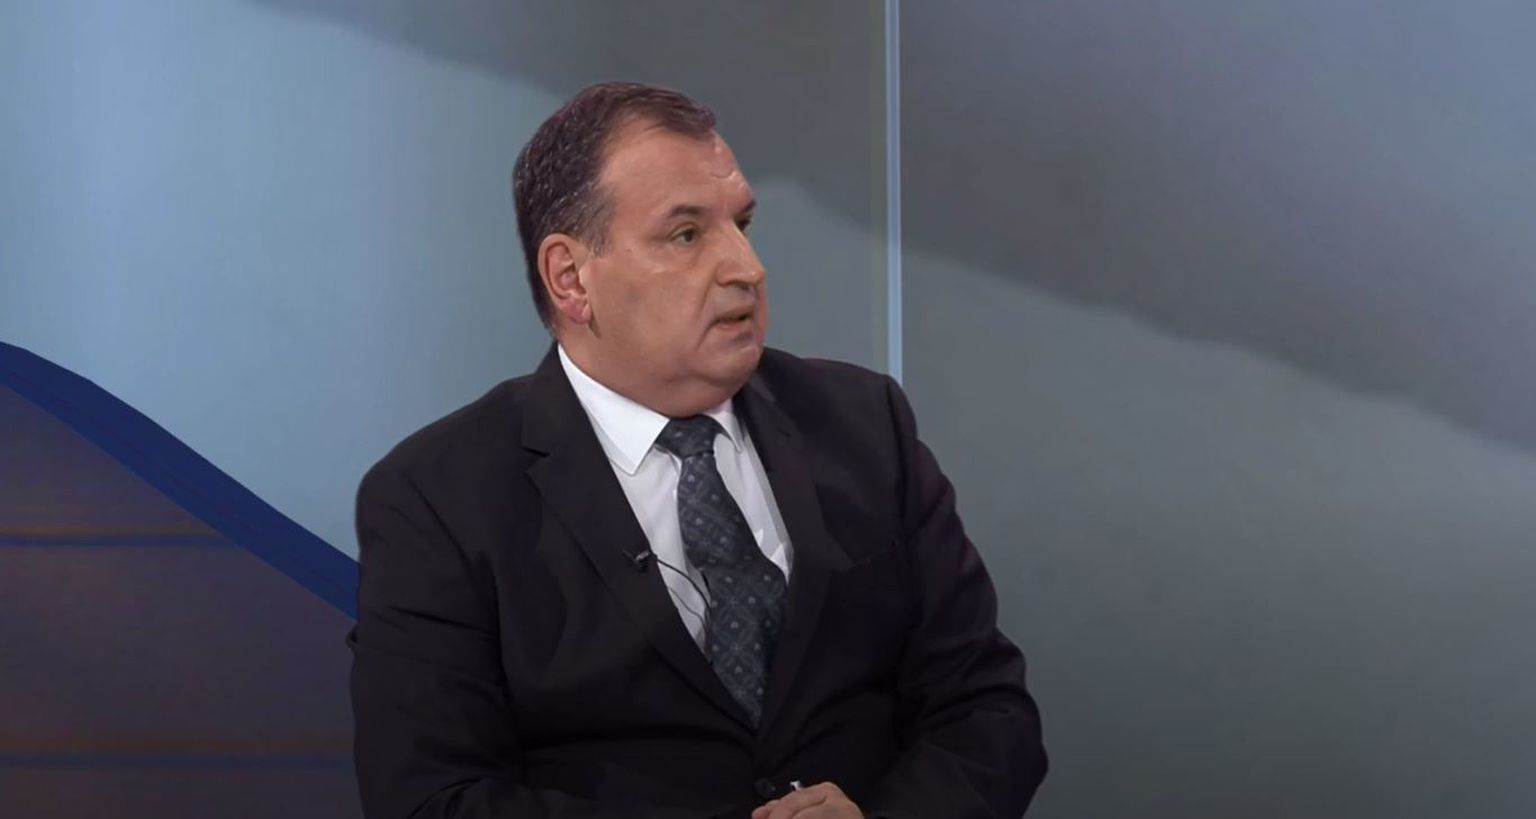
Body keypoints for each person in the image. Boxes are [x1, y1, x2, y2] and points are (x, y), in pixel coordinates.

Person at [349, 81, 1047, 819]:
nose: (746, 267)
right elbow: (431, 799)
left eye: (741, 224)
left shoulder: (865, 425)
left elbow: (985, 709)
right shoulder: (438, 497)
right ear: (571, 278)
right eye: (686, 235)